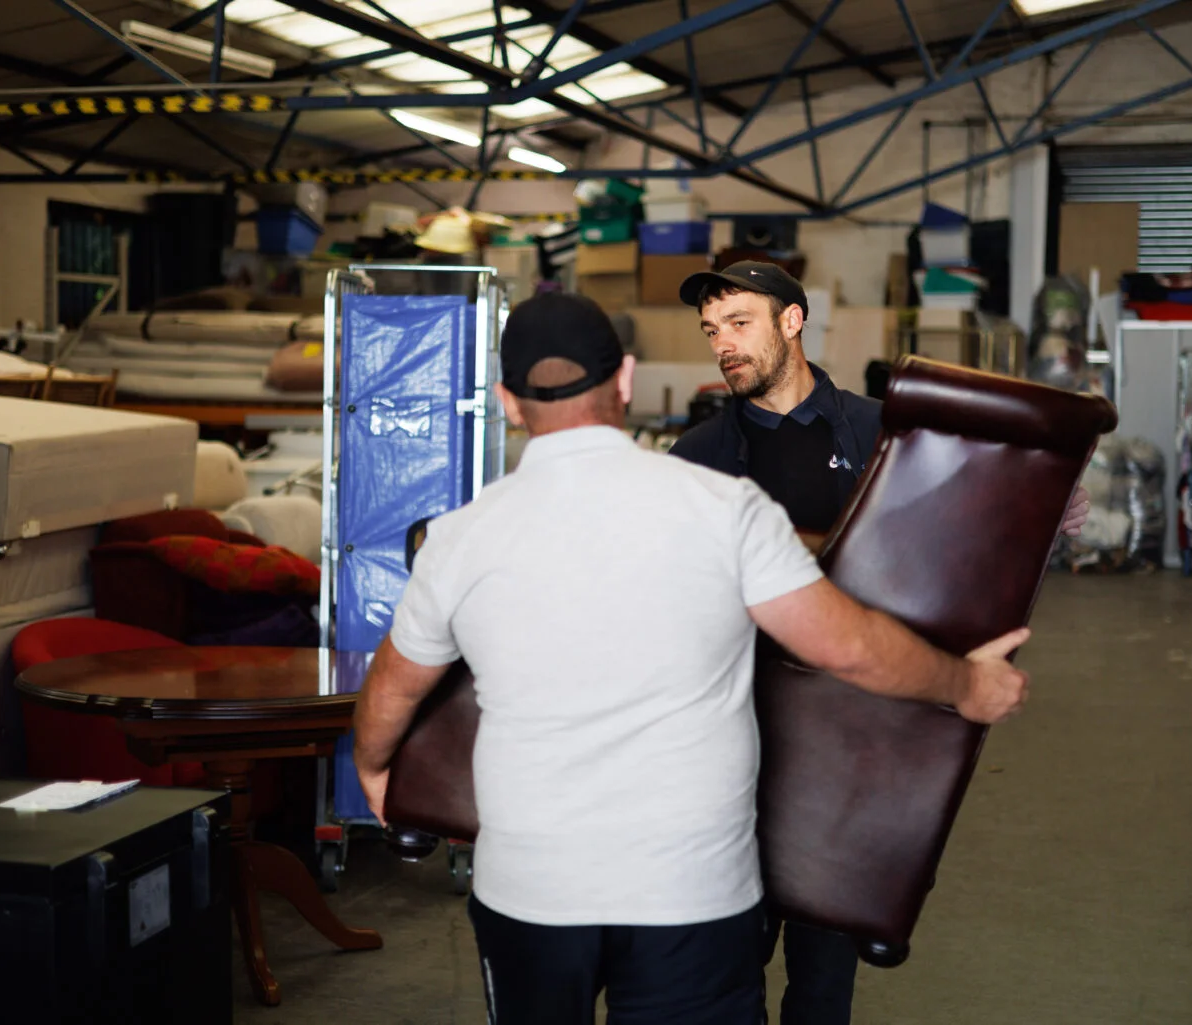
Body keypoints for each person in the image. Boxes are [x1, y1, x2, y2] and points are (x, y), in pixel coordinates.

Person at [354, 291, 1034, 1025]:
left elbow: (391, 689)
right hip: (692, 895)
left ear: (508, 403)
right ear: (626, 381)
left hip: (531, 892)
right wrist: (966, 682)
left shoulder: (459, 540)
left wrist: (374, 767)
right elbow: (851, 647)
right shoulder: (724, 509)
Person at [670, 261, 1091, 1025]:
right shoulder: (695, 456)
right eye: (710, 331)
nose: (722, 345)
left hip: (853, 743)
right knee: (723, 973)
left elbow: (956, 538)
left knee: (824, 980)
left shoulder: (881, 433)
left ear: (791, 321)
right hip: (732, 738)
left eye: (739, 324)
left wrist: (1041, 505)